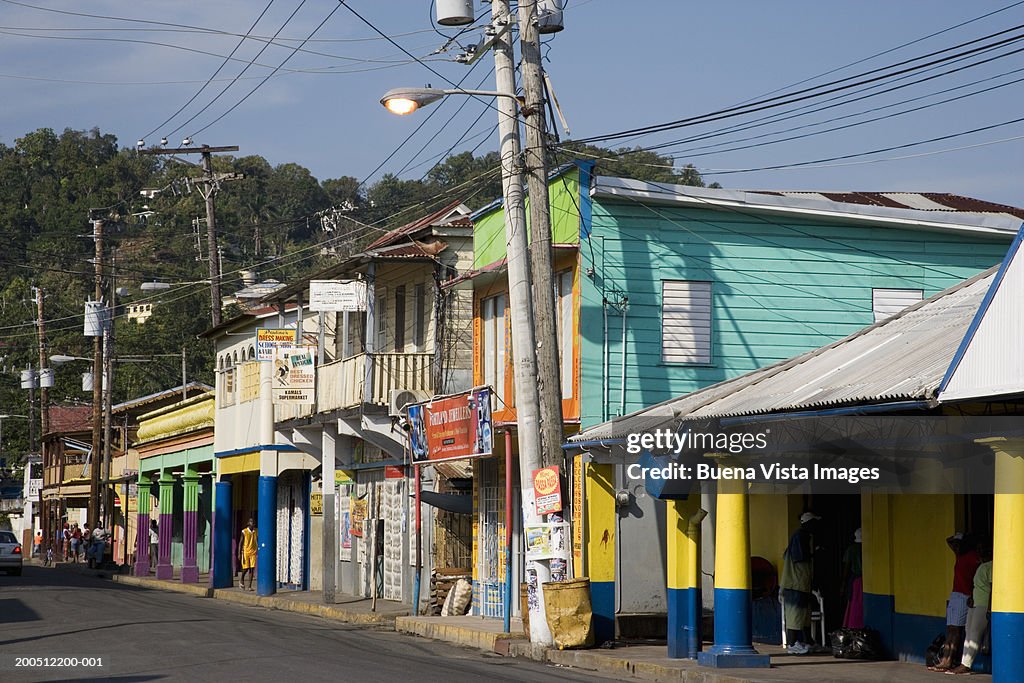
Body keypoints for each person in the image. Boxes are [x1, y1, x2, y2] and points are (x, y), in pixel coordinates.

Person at [931, 532, 981, 671]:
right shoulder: (960, 554)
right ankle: (944, 660)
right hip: (955, 594)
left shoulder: (973, 557)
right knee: (950, 630)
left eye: (960, 543)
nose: (957, 546)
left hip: (965, 595)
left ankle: (949, 660)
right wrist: (958, 537)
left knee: (956, 631)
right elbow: (948, 541)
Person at [781, 511, 822, 655]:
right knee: (795, 615)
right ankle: (792, 644)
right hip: (795, 584)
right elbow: (800, 557)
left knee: (804, 615)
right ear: (809, 524)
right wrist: (815, 553)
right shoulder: (800, 537)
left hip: (802, 583)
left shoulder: (802, 537)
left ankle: (808, 641)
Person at [949, 542, 993, 675]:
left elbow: (992, 588)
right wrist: (972, 597)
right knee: (968, 632)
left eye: (983, 550)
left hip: (984, 604)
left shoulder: (991, 566)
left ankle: (966, 665)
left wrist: (990, 608)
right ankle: (964, 662)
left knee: (974, 634)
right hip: (975, 603)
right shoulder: (981, 565)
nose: (981, 552)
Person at [841, 528, 864, 629]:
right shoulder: (866, 548)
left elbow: (846, 568)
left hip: (856, 580)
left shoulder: (851, 549)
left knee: (854, 605)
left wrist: (843, 584)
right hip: (866, 581)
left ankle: (853, 627)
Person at [239, 518, 257, 591]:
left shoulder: (256, 531)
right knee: (245, 568)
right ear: (248, 523)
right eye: (251, 522)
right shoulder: (244, 531)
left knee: (252, 569)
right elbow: (240, 543)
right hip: (245, 552)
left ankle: (249, 586)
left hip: (253, 552)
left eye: (253, 522)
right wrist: (239, 553)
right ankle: (242, 579)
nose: (252, 523)